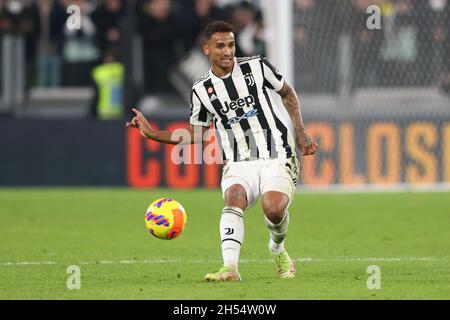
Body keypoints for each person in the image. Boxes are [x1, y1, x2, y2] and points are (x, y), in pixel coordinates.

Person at [126, 21, 318, 281]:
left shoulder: (257, 67)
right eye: (220, 46)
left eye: (231, 45)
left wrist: (300, 130)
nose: (227, 51)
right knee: (234, 198)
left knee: (272, 209)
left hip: (278, 153)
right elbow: (197, 132)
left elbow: (288, 93)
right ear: (206, 49)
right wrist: (151, 133)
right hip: (238, 161)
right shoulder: (202, 90)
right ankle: (230, 268)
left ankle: (277, 248)